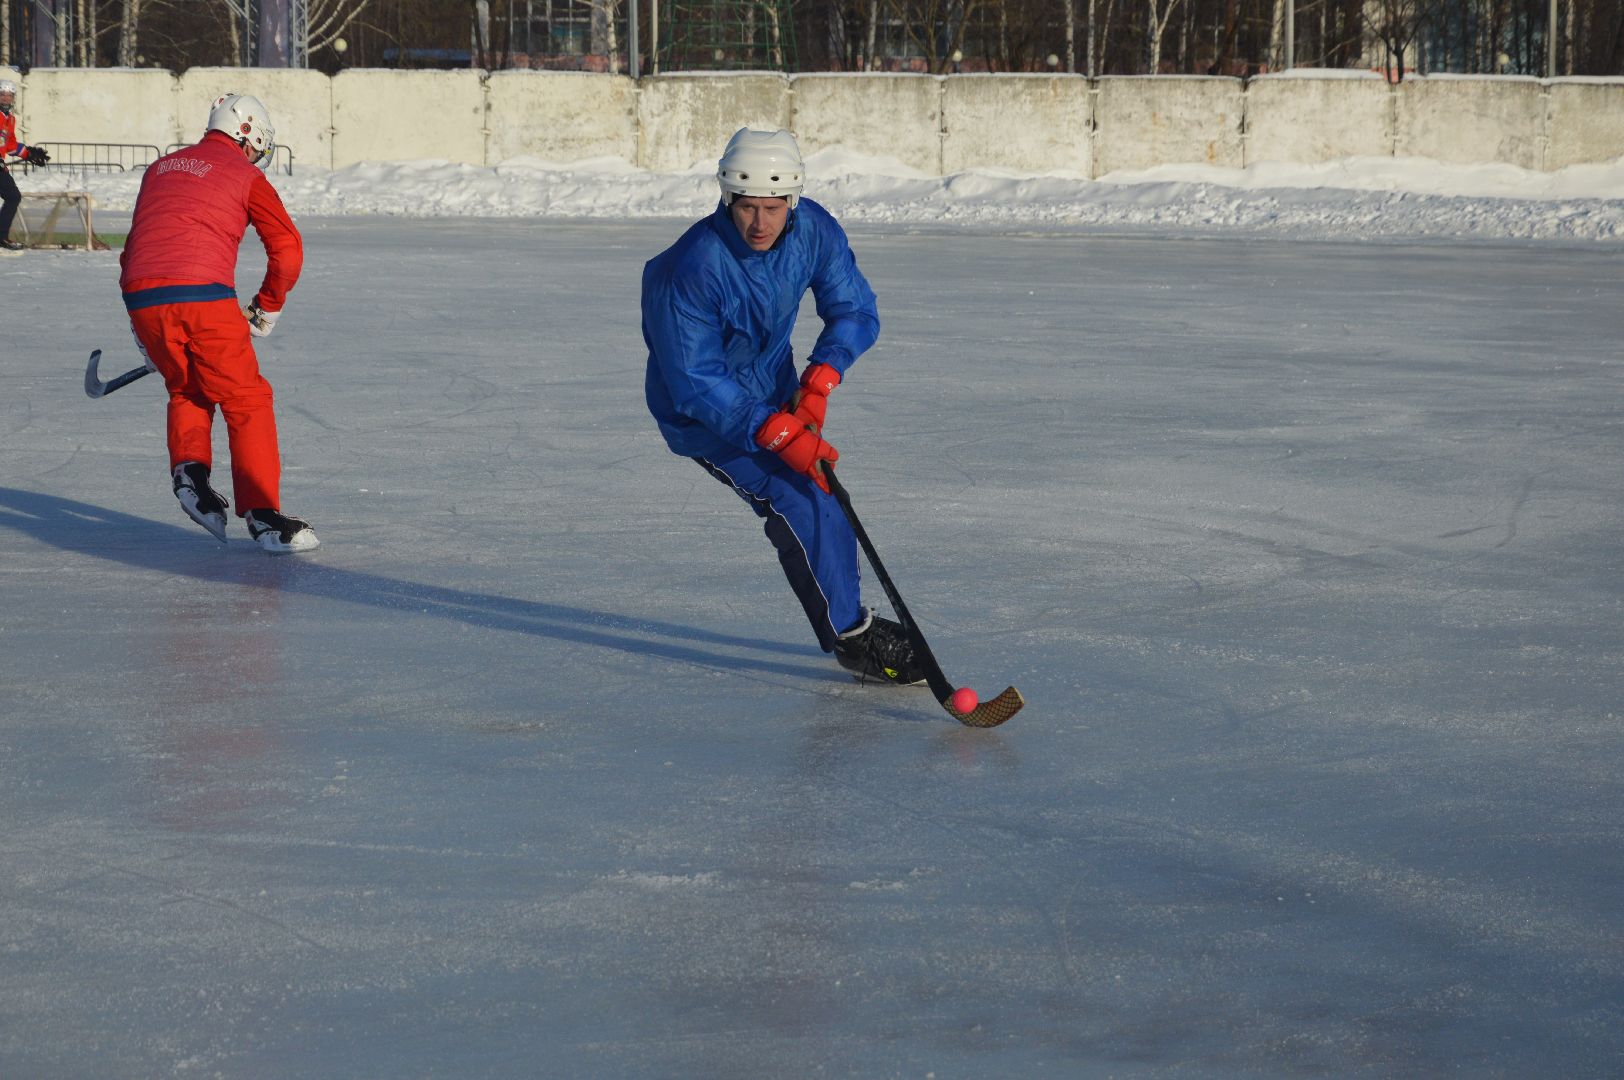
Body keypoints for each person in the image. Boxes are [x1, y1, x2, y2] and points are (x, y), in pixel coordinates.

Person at [642, 127, 925, 686]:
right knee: (797, 498)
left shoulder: (812, 230)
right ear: (727, 198)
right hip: (701, 415)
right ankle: (852, 636)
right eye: (747, 207)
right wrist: (777, 433)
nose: (759, 223)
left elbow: (855, 310)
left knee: (817, 493)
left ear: (792, 200)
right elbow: (696, 380)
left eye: (772, 208)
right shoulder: (693, 268)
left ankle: (850, 625)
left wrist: (819, 379)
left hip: (773, 391)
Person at [120, 91, 317, 553]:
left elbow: (135, 249)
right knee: (247, 398)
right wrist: (268, 304)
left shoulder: (160, 168)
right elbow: (287, 249)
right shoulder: (243, 174)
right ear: (248, 136)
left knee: (187, 387)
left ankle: (191, 474)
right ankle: (265, 517)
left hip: (142, 295)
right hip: (204, 297)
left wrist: (141, 328)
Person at [0, 78, 51, 252]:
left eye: (9, 95)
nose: (6, 98)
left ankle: (1, 236)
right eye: (2, 94)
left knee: (13, 196)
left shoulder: (10, 119)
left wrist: (29, 153)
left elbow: (11, 146)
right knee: (13, 196)